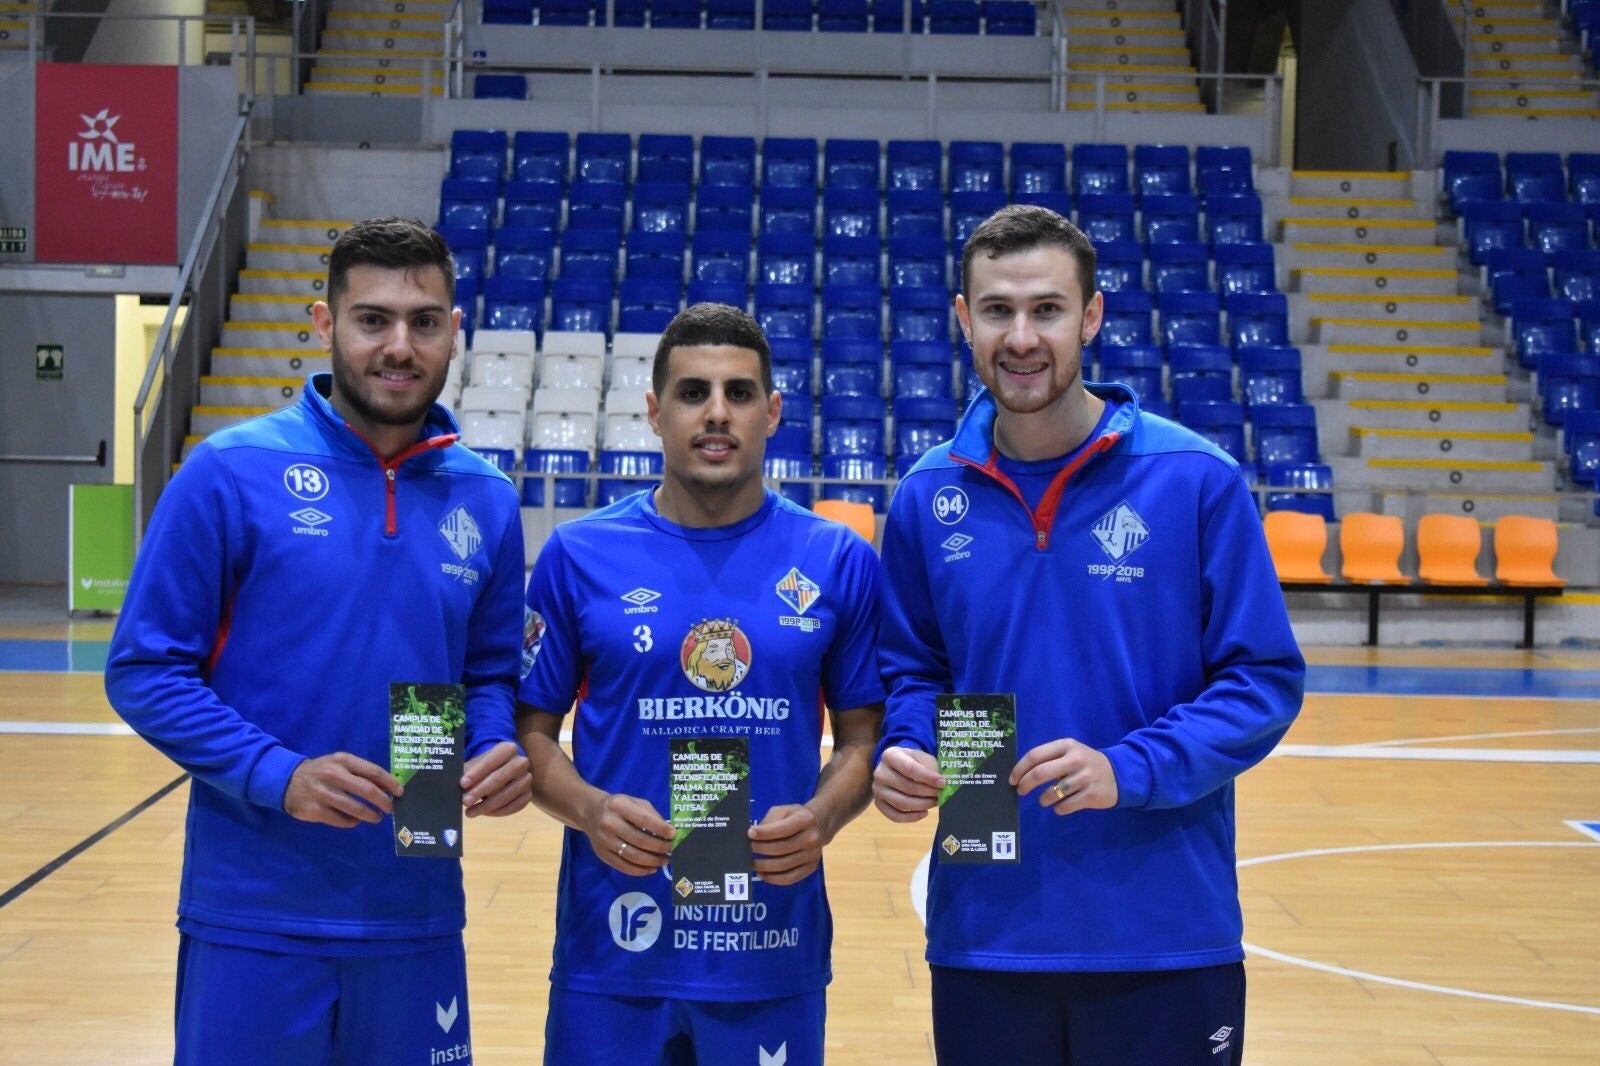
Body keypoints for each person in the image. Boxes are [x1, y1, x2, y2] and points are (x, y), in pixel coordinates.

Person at [871, 204, 1304, 1065]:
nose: (1022, 337)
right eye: (997, 310)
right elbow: (914, 670)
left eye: (1047, 309)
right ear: (963, 321)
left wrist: (1125, 768)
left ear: (1092, 316)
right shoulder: (926, 494)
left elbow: (1262, 681)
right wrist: (909, 751)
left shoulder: (1193, 480)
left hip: (1164, 934)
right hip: (987, 935)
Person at [104, 217, 532, 1065]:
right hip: (255, 910)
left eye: (424, 321)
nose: (399, 345)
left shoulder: (488, 499)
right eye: (373, 319)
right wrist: (281, 775)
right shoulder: (229, 473)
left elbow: (486, 674)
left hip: (415, 911)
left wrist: (493, 750)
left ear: (455, 330)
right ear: (324, 323)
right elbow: (146, 671)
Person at [516, 302, 884, 1066]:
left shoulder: (837, 560)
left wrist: (822, 817)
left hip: (769, 945)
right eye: (692, 393)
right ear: (653, 412)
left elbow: (861, 741)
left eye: (739, 393)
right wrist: (591, 809)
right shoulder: (577, 555)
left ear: (773, 412)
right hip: (614, 945)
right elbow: (532, 736)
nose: (716, 414)